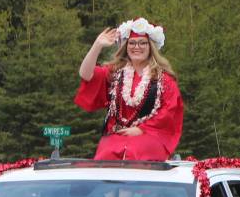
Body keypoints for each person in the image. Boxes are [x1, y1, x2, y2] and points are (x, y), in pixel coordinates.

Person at [75, 17, 184, 161]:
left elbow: (169, 111)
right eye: (132, 43)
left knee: (135, 153)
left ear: (150, 47)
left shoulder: (163, 80)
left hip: (150, 136)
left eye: (142, 43)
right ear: (126, 46)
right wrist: (97, 45)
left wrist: (140, 129)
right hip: (118, 136)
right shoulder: (115, 73)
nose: (136, 47)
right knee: (106, 156)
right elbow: (85, 74)